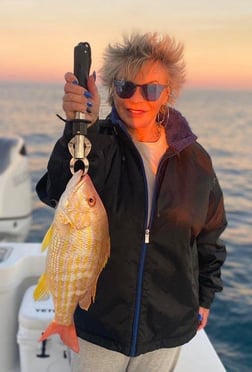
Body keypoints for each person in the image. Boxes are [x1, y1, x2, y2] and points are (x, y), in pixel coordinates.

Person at [36, 32, 227, 372]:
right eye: (126, 87)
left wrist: (205, 298)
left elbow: (209, 238)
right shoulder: (98, 144)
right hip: (101, 326)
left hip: (167, 326)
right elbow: (57, 189)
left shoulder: (196, 161)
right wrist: (80, 129)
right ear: (111, 89)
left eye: (151, 89)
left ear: (168, 94)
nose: (137, 98)